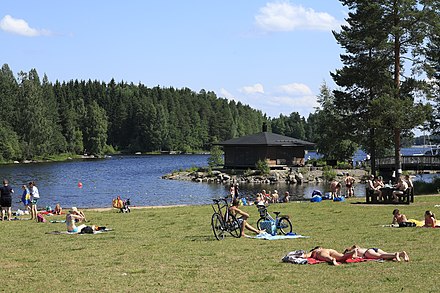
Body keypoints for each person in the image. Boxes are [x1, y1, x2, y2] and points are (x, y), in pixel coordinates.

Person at [343, 245, 409, 262]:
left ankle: (395, 255)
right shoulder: (360, 248)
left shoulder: (355, 250)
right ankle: (401, 254)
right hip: (373, 249)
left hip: (367, 252)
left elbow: (354, 256)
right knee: (386, 254)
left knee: (381, 256)